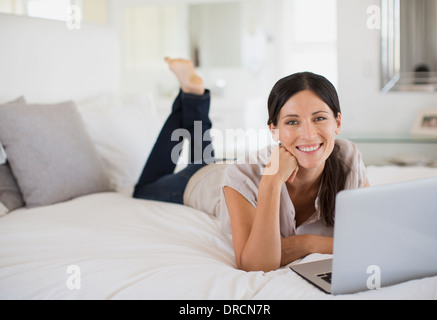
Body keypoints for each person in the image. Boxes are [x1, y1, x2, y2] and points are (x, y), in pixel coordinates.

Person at [134, 58, 370, 272]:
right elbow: (256, 265)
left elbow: (373, 237)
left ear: (337, 122)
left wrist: (306, 243)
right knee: (145, 187)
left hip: (226, 169)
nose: (308, 134)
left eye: (319, 118)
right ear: (273, 130)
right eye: (292, 122)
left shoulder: (347, 157)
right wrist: (270, 182)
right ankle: (191, 96)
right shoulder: (242, 174)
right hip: (200, 181)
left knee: (202, 155)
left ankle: (194, 95)